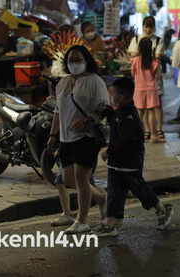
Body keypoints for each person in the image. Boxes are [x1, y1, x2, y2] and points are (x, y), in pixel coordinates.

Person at [94, 77, 174, 237]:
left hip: (130, 162)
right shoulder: (120, 112)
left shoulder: (130, 116)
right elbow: (115, 118)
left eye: (112, 94)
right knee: (114, 193)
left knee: (140, 190)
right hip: (116, 163)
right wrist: (106, 111)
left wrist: (109, 151)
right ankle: (110, 224)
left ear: (120, 97)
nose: (111, 97)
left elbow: (125, 139)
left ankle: (163, 211)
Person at [47, 45, 110, 234]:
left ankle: (82, 221)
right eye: (70, 60)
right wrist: (53, 135)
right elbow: (58, 111)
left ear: (87, 61)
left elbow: (103, 106)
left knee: (81, 179)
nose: (73, 63)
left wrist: (86, 121)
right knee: (67, 178)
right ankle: (101, 199)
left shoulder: (94, 80)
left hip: (86, 136)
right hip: (66, 138)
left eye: (78, 60)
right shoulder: (63, 83)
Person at [50, 161, 107, 227]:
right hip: (68, 154)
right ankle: (67, 213)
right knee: (62, 181)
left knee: (84, 183)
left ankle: (105, 201)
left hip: (78, 155)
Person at [131, 38, 164, 143]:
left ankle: (137, 135)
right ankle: (153, 136)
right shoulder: (153, 61)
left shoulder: (135, 60)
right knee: (151, 113)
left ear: (139, 48)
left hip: (139, 89)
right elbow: (158, 76)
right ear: (151, 48)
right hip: (151, 89)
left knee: (139, 113)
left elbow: (132, 74)